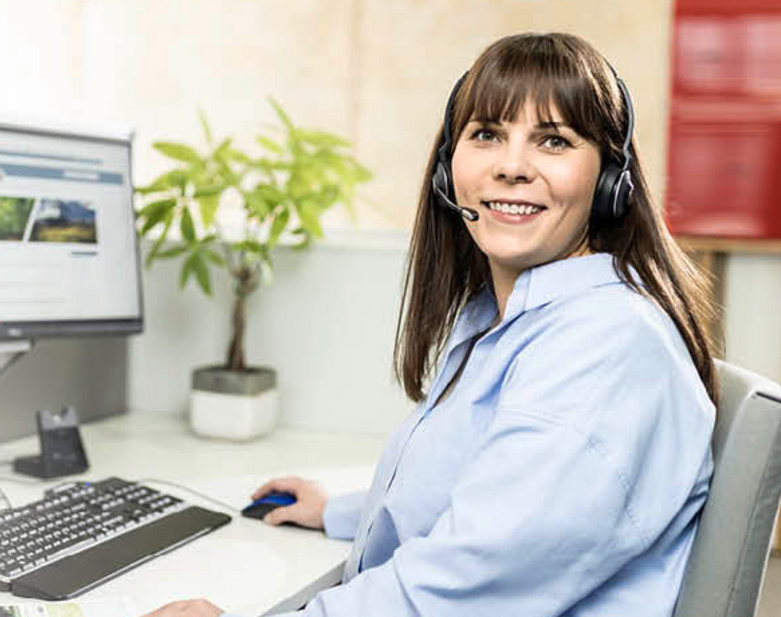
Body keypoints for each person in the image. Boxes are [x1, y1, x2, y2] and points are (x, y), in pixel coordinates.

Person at [143, 32, 720, 617]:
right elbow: (496, 499)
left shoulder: (605, 345)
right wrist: (345, 511)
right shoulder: (507, 318)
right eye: (487, 134)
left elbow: (472, 582)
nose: (512, 167)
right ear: (449, 169)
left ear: (608, 180)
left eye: (553, 140)